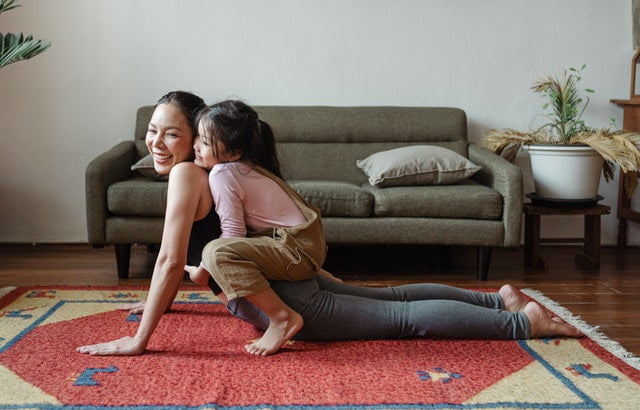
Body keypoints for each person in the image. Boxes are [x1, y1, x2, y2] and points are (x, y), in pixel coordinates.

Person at [76, 92, 582, 358]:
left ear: (199, 138)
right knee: (396, 299)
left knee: (403, 320)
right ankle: (499, 300)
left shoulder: (191, 174)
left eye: (172, 134)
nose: (157, 144)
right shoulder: (226, 171)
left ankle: (521, 322)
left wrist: (140, 338)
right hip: (288, 277)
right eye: (151, 132)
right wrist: (161, 297)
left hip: (286, 299)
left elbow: (172, 258)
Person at [185, 100, 339, 356]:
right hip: (305, 247)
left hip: (297, 252)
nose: (196, 146)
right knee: (223, 251)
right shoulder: (245, 168)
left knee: (216, 252)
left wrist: (203, 270)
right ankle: (316, 272)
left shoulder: (222, 173)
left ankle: (282, 318)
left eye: (204, 141)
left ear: (233, 152)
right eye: (197, 138)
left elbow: (233, 235)